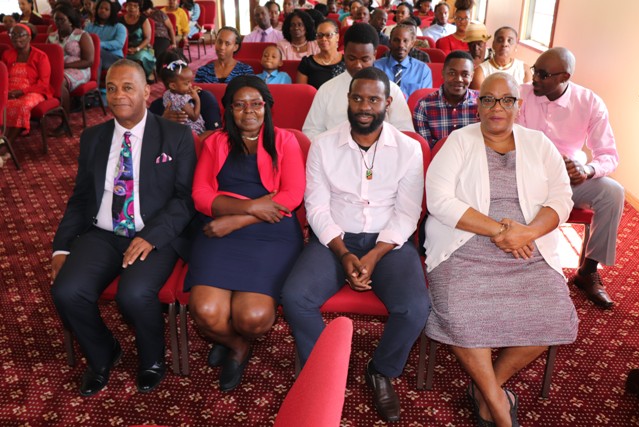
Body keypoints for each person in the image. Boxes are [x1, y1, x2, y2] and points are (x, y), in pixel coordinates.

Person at [424, 72, 578, 427]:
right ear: (477, 106)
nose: (498, 107)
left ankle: (484, 389)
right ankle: (496, 403)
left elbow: (562, 198)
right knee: (461, 313)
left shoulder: (539, 144)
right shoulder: (458, 142)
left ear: (518, 106)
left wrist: (528, 233)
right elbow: (440, 201)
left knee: (554, 315)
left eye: (506, 99)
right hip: (464, 244)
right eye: (489, 99)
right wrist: (500, 231)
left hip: (529, 248)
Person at [282, 67, 429, 423]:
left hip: (388, 242)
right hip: (334, 238)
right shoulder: (323, 145)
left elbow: (409, 213)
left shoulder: (409, 149)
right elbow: (315, 206)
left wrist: (376, 254)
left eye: (373, 99)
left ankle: (381, 369)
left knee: (414, 308)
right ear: (348, 100)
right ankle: (326, 368)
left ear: (388, 103)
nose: (365, 106)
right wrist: (343, 252)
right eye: (358, 98)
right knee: (294, 297)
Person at [50, 59, 196, 397]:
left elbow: (185, 200)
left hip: (153, 233)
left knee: (134, 293)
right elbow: (80, 197)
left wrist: (151, 236)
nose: (118, 96)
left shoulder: (176, 136)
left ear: (147, 92)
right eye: (111, 88)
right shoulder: (93, 138)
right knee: (67, 291)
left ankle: (151, 360)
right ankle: (102, 355)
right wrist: (61, 247)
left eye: (127, 87)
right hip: (102, 232)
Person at [187, 75, 305, 392]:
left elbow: (292, 196)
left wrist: (236, 220)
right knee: (206, 313)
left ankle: (236, 337)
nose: (248, 111)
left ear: (267, 107)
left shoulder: (286, 141)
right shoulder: (214, 142)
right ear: (229, 109)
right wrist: (253, 208)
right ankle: (236, 345)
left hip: (271, 231)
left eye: (256, 104)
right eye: (239, 104)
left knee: (253, 317)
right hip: (222, 227)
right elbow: (200, 195)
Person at [518, 47, 624, 309]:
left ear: (564, 76)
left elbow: (608, 154)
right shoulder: (522, 95)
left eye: (543, 74)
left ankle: (587, 271)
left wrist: (586, 170)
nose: (535, 79)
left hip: (567, 180)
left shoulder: (589, 103)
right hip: (523, 175)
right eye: (535, 71)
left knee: (612, 193)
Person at [303, 23, 414, 139]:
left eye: (365, 59)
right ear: (344, 52)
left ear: (374, 55)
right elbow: (311, 132)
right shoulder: (327, 90)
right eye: (352, 58)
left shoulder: (392, 90)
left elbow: (405, 133)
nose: (358, 65)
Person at [0, 23, 52, 164]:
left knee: (22, 105)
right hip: (9, 90)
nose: (17, 38)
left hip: (33, 91)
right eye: (13, 35)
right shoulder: (7, 54)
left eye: (20, 35)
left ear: (29, 37)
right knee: (4, 104)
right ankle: (2, 140)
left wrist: (21, 91)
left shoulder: (40, 56)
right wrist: (7, 91)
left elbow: (43, 83)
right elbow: (2, 76)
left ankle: (5, 147)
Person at [413, 50, 478, 148]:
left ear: (472, 76)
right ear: (443, 73)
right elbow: (426, 149)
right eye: (452, 73)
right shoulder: (424, 106)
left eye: (465, 75)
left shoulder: (482, 103)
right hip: (438, 160)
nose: (458, 79)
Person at [149, 50, 221, 135]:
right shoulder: (156, 106)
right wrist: (162, 122)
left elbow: (216, 134)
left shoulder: (204, 97)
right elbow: (149, 136)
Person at [48, 3, 93, 118]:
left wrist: (64, 67)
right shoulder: (52, 36)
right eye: (56, 20)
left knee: (59, 81)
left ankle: (65, 120)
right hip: (58, 69)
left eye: (61, 19)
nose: (58, 23)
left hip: (79, 69)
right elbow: (45, 56)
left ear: (70, 20)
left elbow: (88, 61)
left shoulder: (81, 35)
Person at [375, 23, 432, 99]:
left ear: (412, 44)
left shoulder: (423, 70)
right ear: (390, 42)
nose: (401, 45)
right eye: (396, 40)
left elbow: (425, 100)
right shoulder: (376, 67)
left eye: (405, 41)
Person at [295, 19, 345, 89]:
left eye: (328, 35)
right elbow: (301, 93)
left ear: (337, 37)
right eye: (320, 35)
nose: (323, 39)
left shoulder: (347, 61)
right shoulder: (307, 63)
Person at [161, 59, 205, 135]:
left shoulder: (167, 94)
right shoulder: (181, 100)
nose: (190, 85)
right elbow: (194, 117)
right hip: (193, 131)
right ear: (173, 86)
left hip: (176, 129)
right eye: (186, 83)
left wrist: (189, 93)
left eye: (190, 82)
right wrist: (197, 98)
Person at [85, 0, 127, 72]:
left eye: (106, 9)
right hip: (93, 55)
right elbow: (84, 41)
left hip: (114, 58)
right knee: (96, 56)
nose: (103, 10)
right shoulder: (89, 26)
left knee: (97, 52)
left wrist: (98, 45)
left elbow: (119, 43)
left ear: (111, 12)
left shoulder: (119, 27)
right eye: (101, 8)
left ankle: (94, 82)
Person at [119, 0, 156, 80]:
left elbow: (148, 39)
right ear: (126, 7)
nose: (132, 8)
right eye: (130, 5)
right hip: (123, 48)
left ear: (139, 8)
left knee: (140, 57)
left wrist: (137, 49)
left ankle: (138, 78)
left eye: (135, 6)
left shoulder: (143, 20)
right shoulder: (120, 20)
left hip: (142, 47)